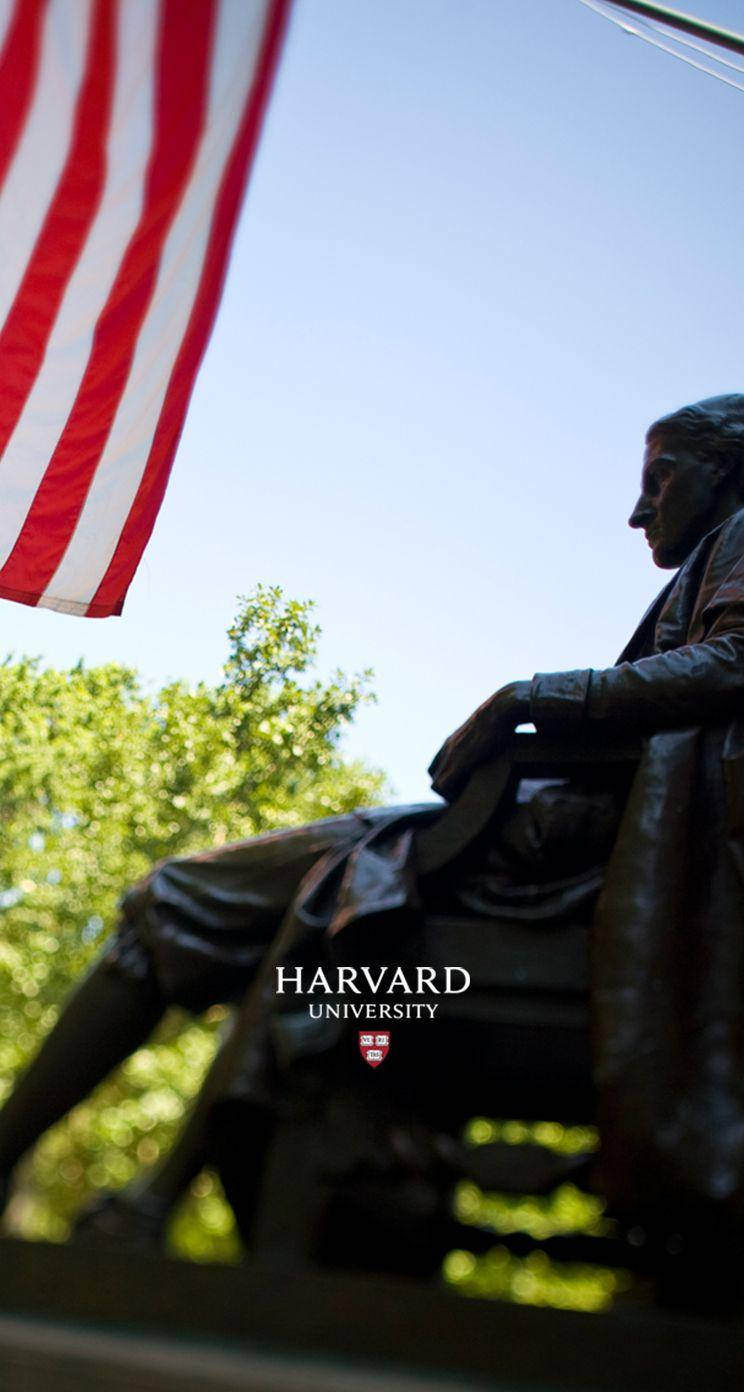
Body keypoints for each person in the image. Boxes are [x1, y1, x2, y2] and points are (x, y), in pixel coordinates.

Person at [2, 392, 744, 1243]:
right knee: (288, 918)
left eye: (661, 478)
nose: (638, 509)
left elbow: (735, 660)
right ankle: (147, 1194)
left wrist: (527, 697)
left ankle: (121, 1187)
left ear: (724, 468)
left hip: (560, 856)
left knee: (179, 901)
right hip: (555, 844)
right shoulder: (711, 558)